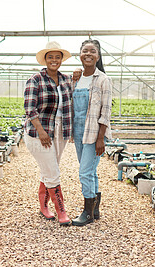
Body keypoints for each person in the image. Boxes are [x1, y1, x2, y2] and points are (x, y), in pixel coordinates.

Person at [23, 41, 73, 226]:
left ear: (61, 60)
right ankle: (61, 211)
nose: (54, 60)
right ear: (45, 59)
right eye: (50, 57)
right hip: (39, 132)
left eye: (57, 57)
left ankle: (44, 207)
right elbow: (30, 109)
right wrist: (42, 131)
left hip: (60, 130)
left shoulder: (67, 80)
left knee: (49, 168)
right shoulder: (35, 80)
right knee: (52, 170)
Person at [71, 39, 112, 227]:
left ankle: (87, 212)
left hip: (93, 133)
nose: (88, 54)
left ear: (98, 56)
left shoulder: (103, 79)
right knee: (91, 171)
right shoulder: (76, 79)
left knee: (84, 173)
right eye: (84, 51)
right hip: (79, 131)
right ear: (80, 54)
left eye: (92, 51)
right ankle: (95, 210)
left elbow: (106, 111)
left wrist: (100, 138)